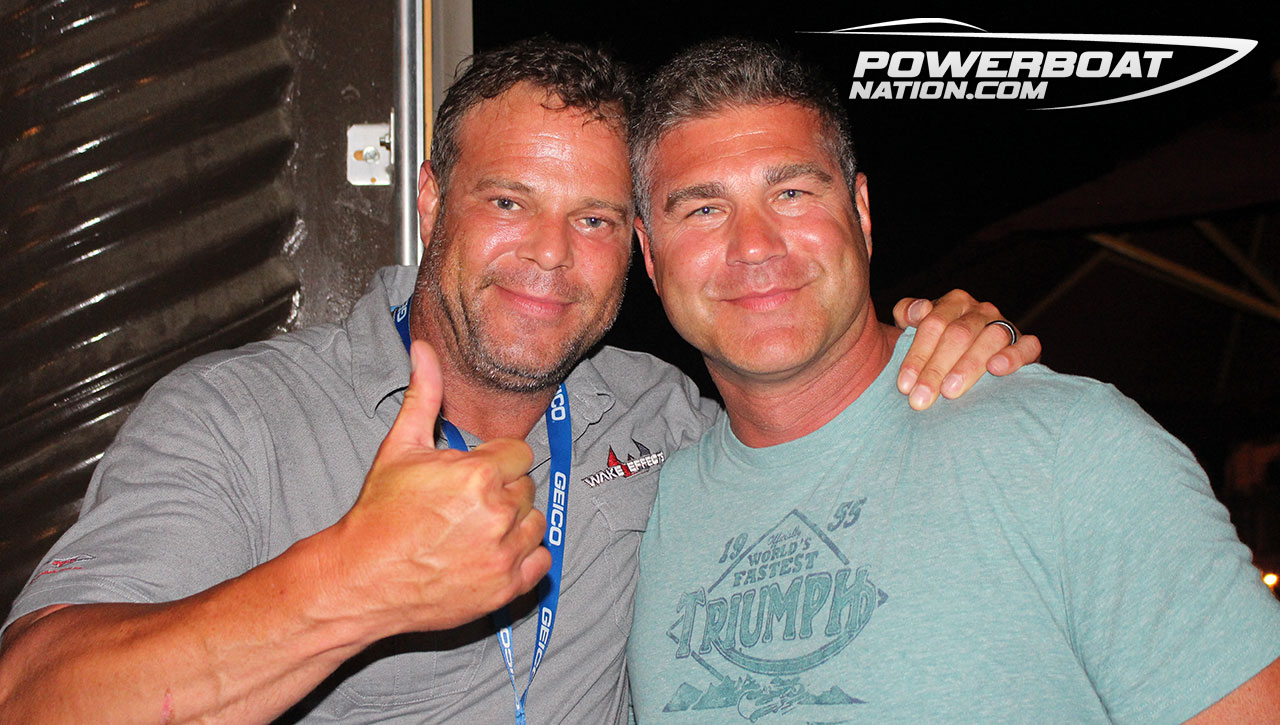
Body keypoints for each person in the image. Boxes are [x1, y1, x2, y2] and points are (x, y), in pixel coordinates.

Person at [0, 39, 1035, 723]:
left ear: (635, 247)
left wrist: (932, 340)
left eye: (593, 218)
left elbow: (818, 407)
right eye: (507, 202)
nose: (550, 254)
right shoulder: (239, 419)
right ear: (430, 201)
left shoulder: (663, 416)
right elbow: (34, 694)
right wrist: (347, 583)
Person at [627, 39, 1280, 723]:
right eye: (703, 209)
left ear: (861, 211)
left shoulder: (1067, 448)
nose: (755, 245)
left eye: (791, 193)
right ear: (649, 253)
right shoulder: (648, 510)